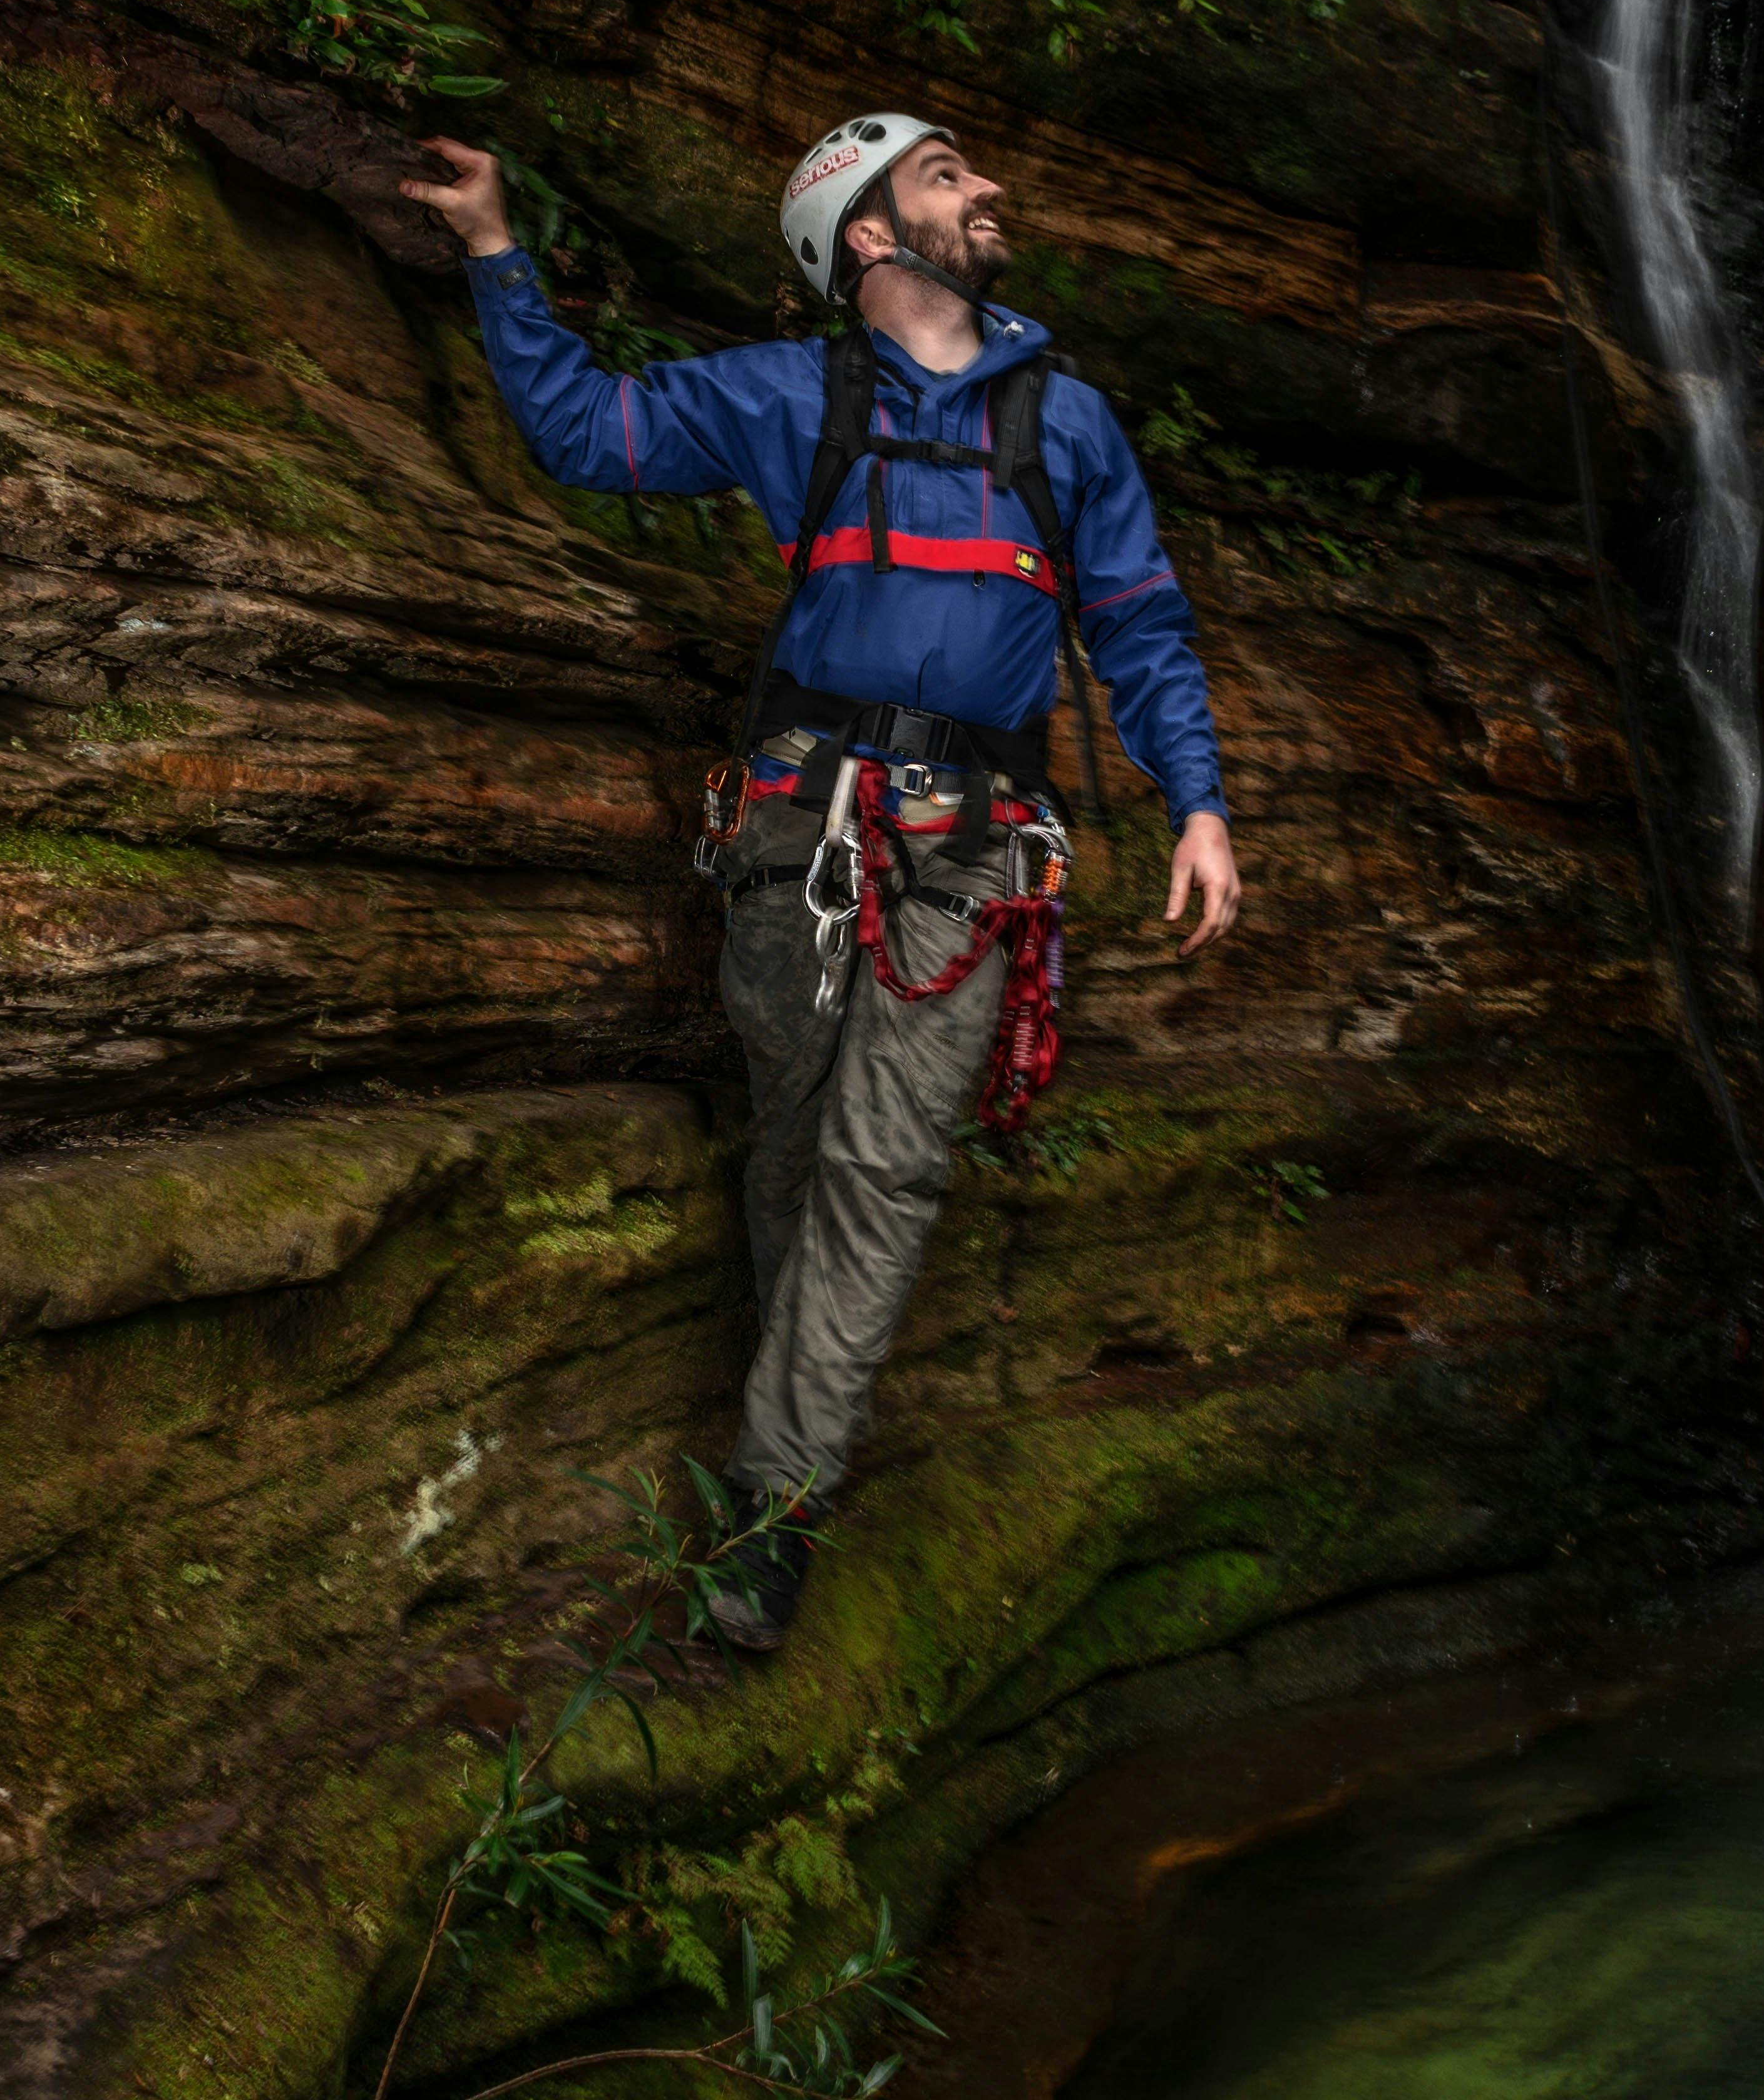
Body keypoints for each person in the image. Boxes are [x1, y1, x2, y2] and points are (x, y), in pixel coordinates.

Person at [401, 115, 1242, 1650]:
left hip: (974, 854)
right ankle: (788, 1451)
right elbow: (590, 436)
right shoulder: (781, 394)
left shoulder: (1073, 424)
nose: (986, 189)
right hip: (799, 829)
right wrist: (490, 248)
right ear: (866, 235)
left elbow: (1137, 627)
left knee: (882, 1164)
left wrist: (1196, 803)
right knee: (792, 1149)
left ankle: (773, 1510)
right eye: (944, 177)